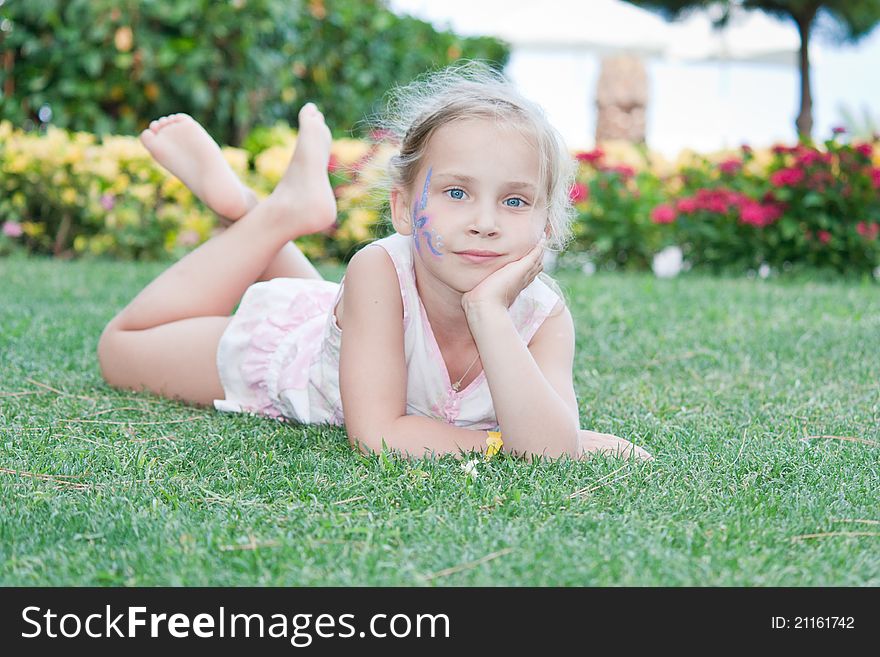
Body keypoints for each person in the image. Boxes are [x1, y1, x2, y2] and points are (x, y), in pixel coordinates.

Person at [97, 63, 652, 462]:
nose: (485, 221)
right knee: (120, 347)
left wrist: (487, 310)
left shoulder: (544, 315)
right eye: (456, 193)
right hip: (302, 358)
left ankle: (246, 205)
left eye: (515, 201)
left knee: (346, 311)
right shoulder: (377, 271)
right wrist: (522, 442)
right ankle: (277, 216)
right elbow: (379, 433)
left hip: (363, 324)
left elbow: (552, 454)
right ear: (405, 208)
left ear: (547, 225)